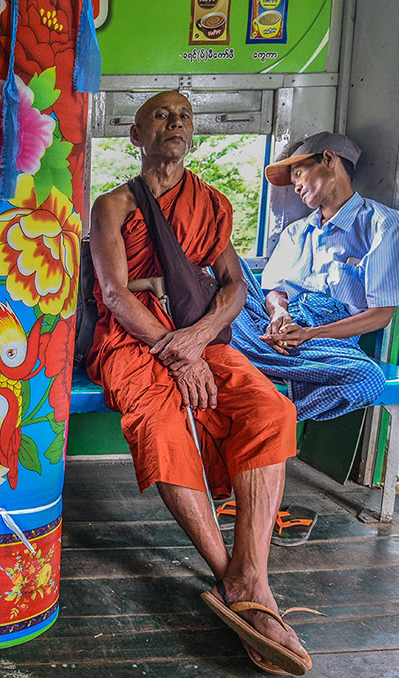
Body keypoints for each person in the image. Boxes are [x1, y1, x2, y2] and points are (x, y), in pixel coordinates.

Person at [87, 91, 310, 675]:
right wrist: (177, 353)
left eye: (184, 115)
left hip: (198, 336)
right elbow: (113, 293)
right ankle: (235, 579)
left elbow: (235, 286)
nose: (176, 123)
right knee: (161, 427)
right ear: (135, 134)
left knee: (270, 411)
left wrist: (199, 337)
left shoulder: (209, 203)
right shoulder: (111, 206)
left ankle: (248, 576)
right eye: (161, 115)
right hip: (133, 342)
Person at [231, 131, 399, 421]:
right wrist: (279, 314)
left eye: (299, 175)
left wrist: (308, 334)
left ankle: (273, 412)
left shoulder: (385, 226)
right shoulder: (296, 231)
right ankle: (268, 355)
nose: (296, 188)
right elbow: (275, 292)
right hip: (275, 325)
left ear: (329, 159)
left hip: (324, 342)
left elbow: (381, 315)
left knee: (368, 378)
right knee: (227, 262)